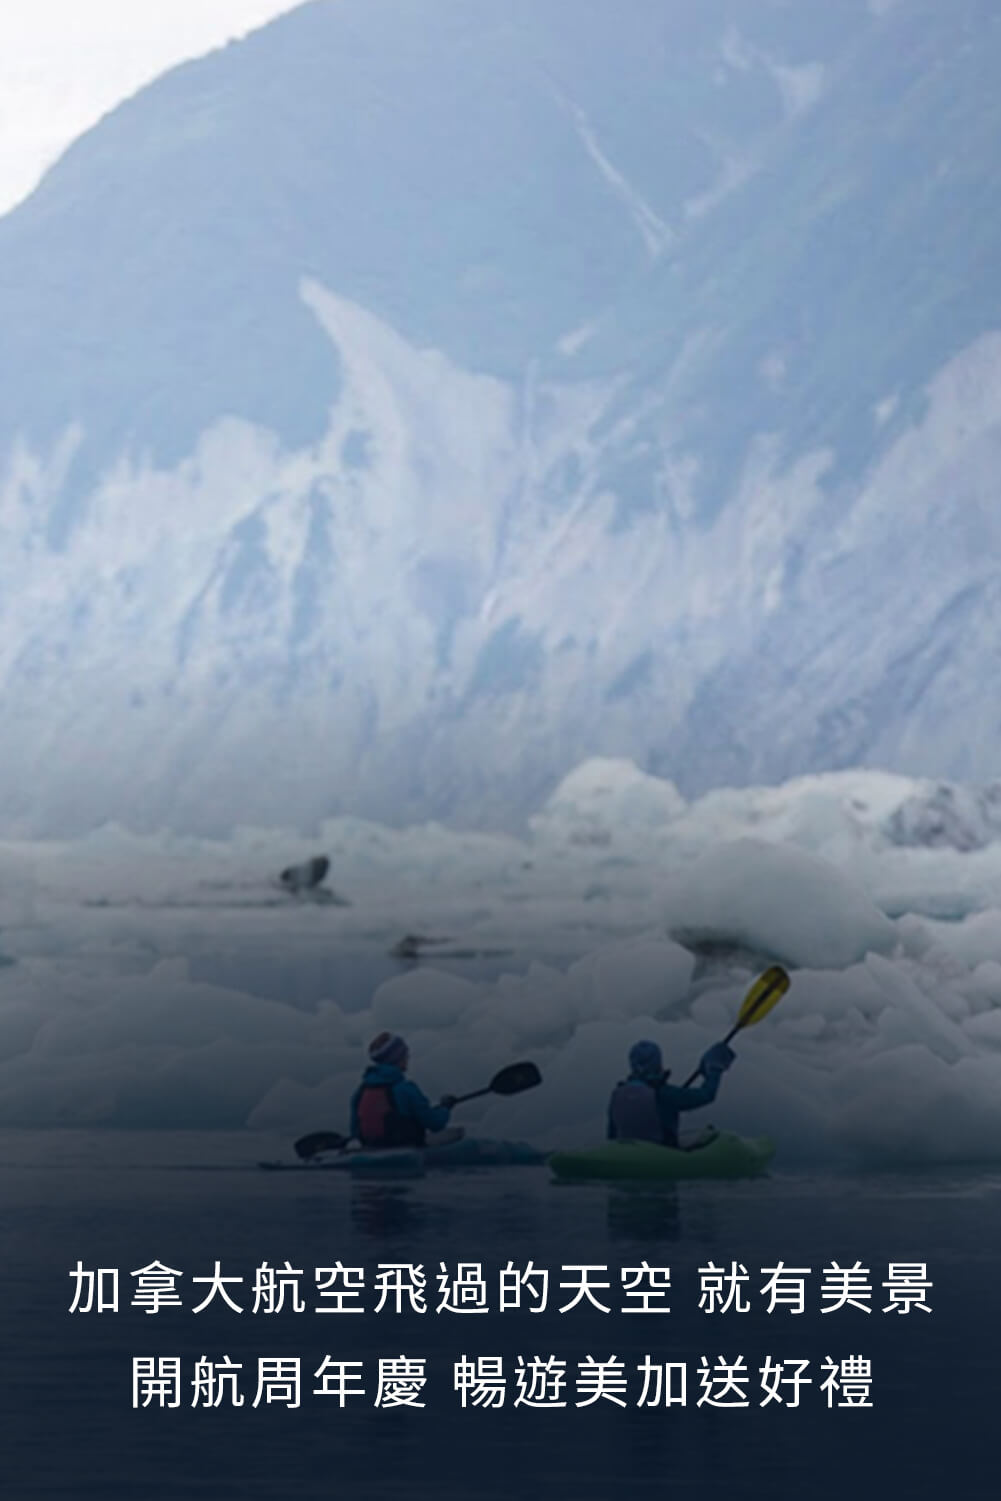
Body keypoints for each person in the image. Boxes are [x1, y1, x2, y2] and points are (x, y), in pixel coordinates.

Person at [607, 1038, 736, 1148]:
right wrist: (714, 1070)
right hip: (661, 1153)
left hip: (625, 1152)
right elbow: (706, 1095)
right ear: (658, 1064)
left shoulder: (617, 1094)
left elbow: (611, 1135)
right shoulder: (665, 1094)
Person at [350, 1032, 457, 1148]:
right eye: (405, 1054)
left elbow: (355, 1131)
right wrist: (446, 1108)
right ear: (397, 1058)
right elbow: (434, 1123)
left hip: (371, 1148)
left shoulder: (360, 1092)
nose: (408, 1057)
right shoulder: (405, 1089)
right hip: (405, 1147)